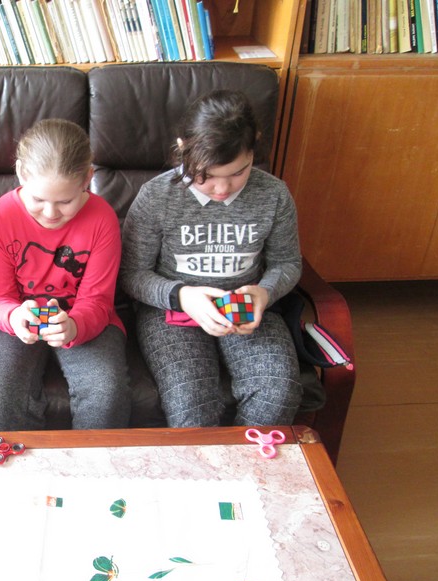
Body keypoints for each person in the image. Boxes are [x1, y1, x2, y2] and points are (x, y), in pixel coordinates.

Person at [120, 90, 303, 427]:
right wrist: (182, 296)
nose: (222, 189)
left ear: (254, 149)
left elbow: (287, 263)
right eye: (206, 175)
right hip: (172, 312)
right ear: (183, 149)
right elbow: (132, 273)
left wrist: (264, 293)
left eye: (237, 173)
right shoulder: (157, 196)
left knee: (278, 391)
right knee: (191, 402)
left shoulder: (274, 195)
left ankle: (247, 458)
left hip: (246, 307)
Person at [0, 118, 130, 430]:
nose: (50, 213)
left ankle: (95, 461)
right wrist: (13, 316)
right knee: (2, 394)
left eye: (65, 201)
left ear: (88, 178)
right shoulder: (0, 217)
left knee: (106, 394)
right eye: (38, 200)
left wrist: (73, 326)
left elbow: (98, 301)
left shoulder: (102, 219)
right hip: (17, 320)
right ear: (21, 173)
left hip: (84, 317)